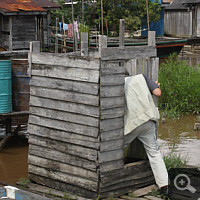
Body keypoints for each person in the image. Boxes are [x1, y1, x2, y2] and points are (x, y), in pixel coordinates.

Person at [124, 72, 169, 198]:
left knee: (116, 147)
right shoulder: (142, 77)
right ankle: (164, 185)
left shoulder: (118, 84)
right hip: (149, 120)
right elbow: (158, 93)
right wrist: (156, 86)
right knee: (154, 153)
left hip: (133, 123)